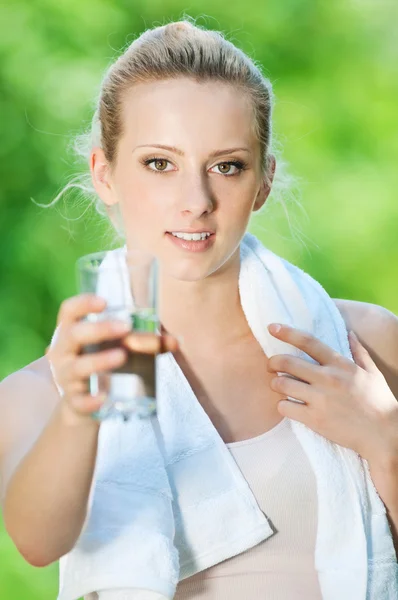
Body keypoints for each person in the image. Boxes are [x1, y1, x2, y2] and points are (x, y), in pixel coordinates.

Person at [1, 18, 397, 600]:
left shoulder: (361, 347)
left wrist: (385, 439)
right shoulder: (36, 395)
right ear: (105, 174)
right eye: (160, 163)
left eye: (226, 166)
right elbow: (38, 545)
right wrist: (81, 413)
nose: (196, 202)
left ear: (262, 181)